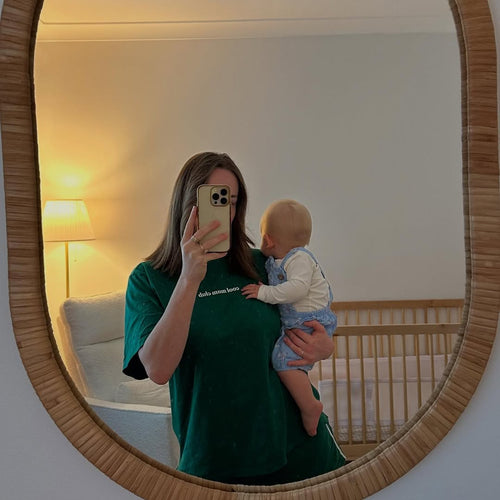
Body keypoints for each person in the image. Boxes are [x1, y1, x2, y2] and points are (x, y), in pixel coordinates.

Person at [123, 152, 346, 484]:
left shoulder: (264, 264)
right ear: (187, 202)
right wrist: (189, 280)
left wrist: (324, 345)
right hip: (215, 461)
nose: (224, 211)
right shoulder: (148, 279)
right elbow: (157, 369)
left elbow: (311, 312)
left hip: (300, 449)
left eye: (231, 200)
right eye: (214, 198)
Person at [242, 200, 338, 437]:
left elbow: (297, 289)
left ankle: (309, 406)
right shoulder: (276, 261)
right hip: (299, 321)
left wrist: (264, 292)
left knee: (283, 361)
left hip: (307, 321)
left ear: (268, 240)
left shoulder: (299, 259)